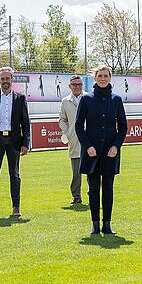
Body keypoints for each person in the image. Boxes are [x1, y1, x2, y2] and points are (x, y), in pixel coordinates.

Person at [75, 64, 127, 235]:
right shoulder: (86, 99)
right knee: (94, 188)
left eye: (106, 76)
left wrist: (116, 146)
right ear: (94, 78)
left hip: (110, 152)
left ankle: (107, 224)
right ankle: (95, 224)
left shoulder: (117, 100)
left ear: (110, 78)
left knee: (108, 188)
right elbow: (78, 126)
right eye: (100, 75)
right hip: (92, 152)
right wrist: (87, 146)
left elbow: (123, 127)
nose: (103, 78)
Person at [0, 67, 31, 217]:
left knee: (14, 174)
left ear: (12, 79)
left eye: (7, 78)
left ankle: (16, 207)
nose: (5, 81)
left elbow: (26, 123)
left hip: (14, 140)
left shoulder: (20, 98)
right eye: (2, 79)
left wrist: (25, 143)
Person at [58, 75, 85, 205]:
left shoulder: (89, 98)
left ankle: (93, 194)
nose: (77, 86)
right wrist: (67, 132)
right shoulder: (65, 101)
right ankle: (76, 196)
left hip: (90, 139)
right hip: (74, 140)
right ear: (70, 86)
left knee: (93, 171)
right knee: (76, 172)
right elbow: (62, 119)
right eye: (74, 84)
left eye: (79, 84)